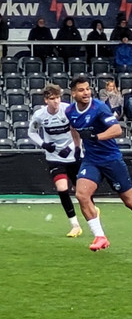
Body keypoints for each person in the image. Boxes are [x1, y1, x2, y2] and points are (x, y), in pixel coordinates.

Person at [64, 75, 132, 253]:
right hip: (91, 160)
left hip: (111, 159)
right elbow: (73, 127)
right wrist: (77, 147)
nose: (86, 93)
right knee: (82, 195)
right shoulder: (70, 111)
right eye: (81, 90)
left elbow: (117, 130)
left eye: (87, 89)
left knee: (130, 201)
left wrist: (96, 137)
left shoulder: (99, 107)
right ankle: (100, 237)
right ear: (73, 93)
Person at [28, 83, 83, 237]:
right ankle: (75, 224)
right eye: (52, 99)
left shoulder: (68, 110)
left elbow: (78, 131)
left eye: (58, 98)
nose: (56, 101)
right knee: (62, 188)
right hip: (55, 158)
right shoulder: (40, 115)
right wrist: (44, 144)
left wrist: (72, 148)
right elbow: (31, 132)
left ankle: (92, 209)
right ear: (46, 100)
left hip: (72, 155)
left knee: (81, 193)